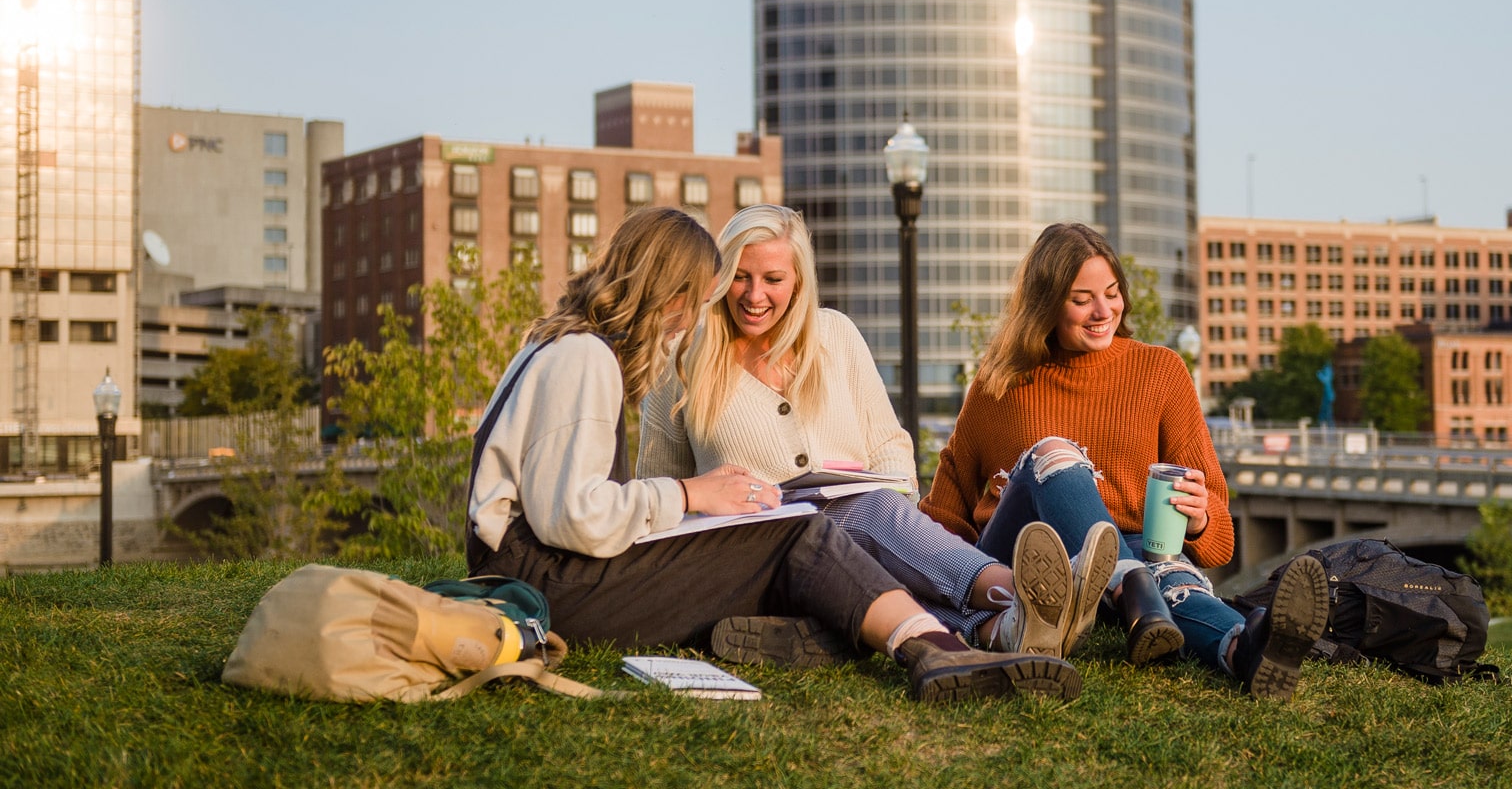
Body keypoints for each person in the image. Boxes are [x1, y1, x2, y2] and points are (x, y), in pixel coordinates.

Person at [465, 206, 1079, 702]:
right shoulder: (585, 358)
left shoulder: (563, 345)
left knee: (833, 528)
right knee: (798, 534)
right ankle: (943, 649)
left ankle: (945, 638)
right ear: (666, 288)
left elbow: (568, 510)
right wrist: (691, 495)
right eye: (701, 294)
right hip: (546, 586)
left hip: (539, 577)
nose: (692, 317)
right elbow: (572, 517)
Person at [640, 204, 1117, 659]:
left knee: (875, 520)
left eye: (772, 279)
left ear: (799, 282)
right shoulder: (682, 359)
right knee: (865, 514)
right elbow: (659, 494)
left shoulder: (835, 336)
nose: (754, 294)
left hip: (865, 533)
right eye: (740, 277)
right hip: (759, 549)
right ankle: (1025, 592)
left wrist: (902, 529)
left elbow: (889, 445)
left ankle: (1004, 630)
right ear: (721, 277)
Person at [920, 222, 1331, 700]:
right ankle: (1129, 583)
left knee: (1173, 577)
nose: (1103, 311)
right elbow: (942, 520)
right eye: (1082, 299)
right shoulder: (999, 384)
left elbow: (1219, 538)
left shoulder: (1161, 372)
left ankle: (1246, 649)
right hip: (1031, 564)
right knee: (1054, 452)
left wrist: (1199, 520)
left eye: (1112, 293)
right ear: (1045, 303)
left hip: (1139, 555)